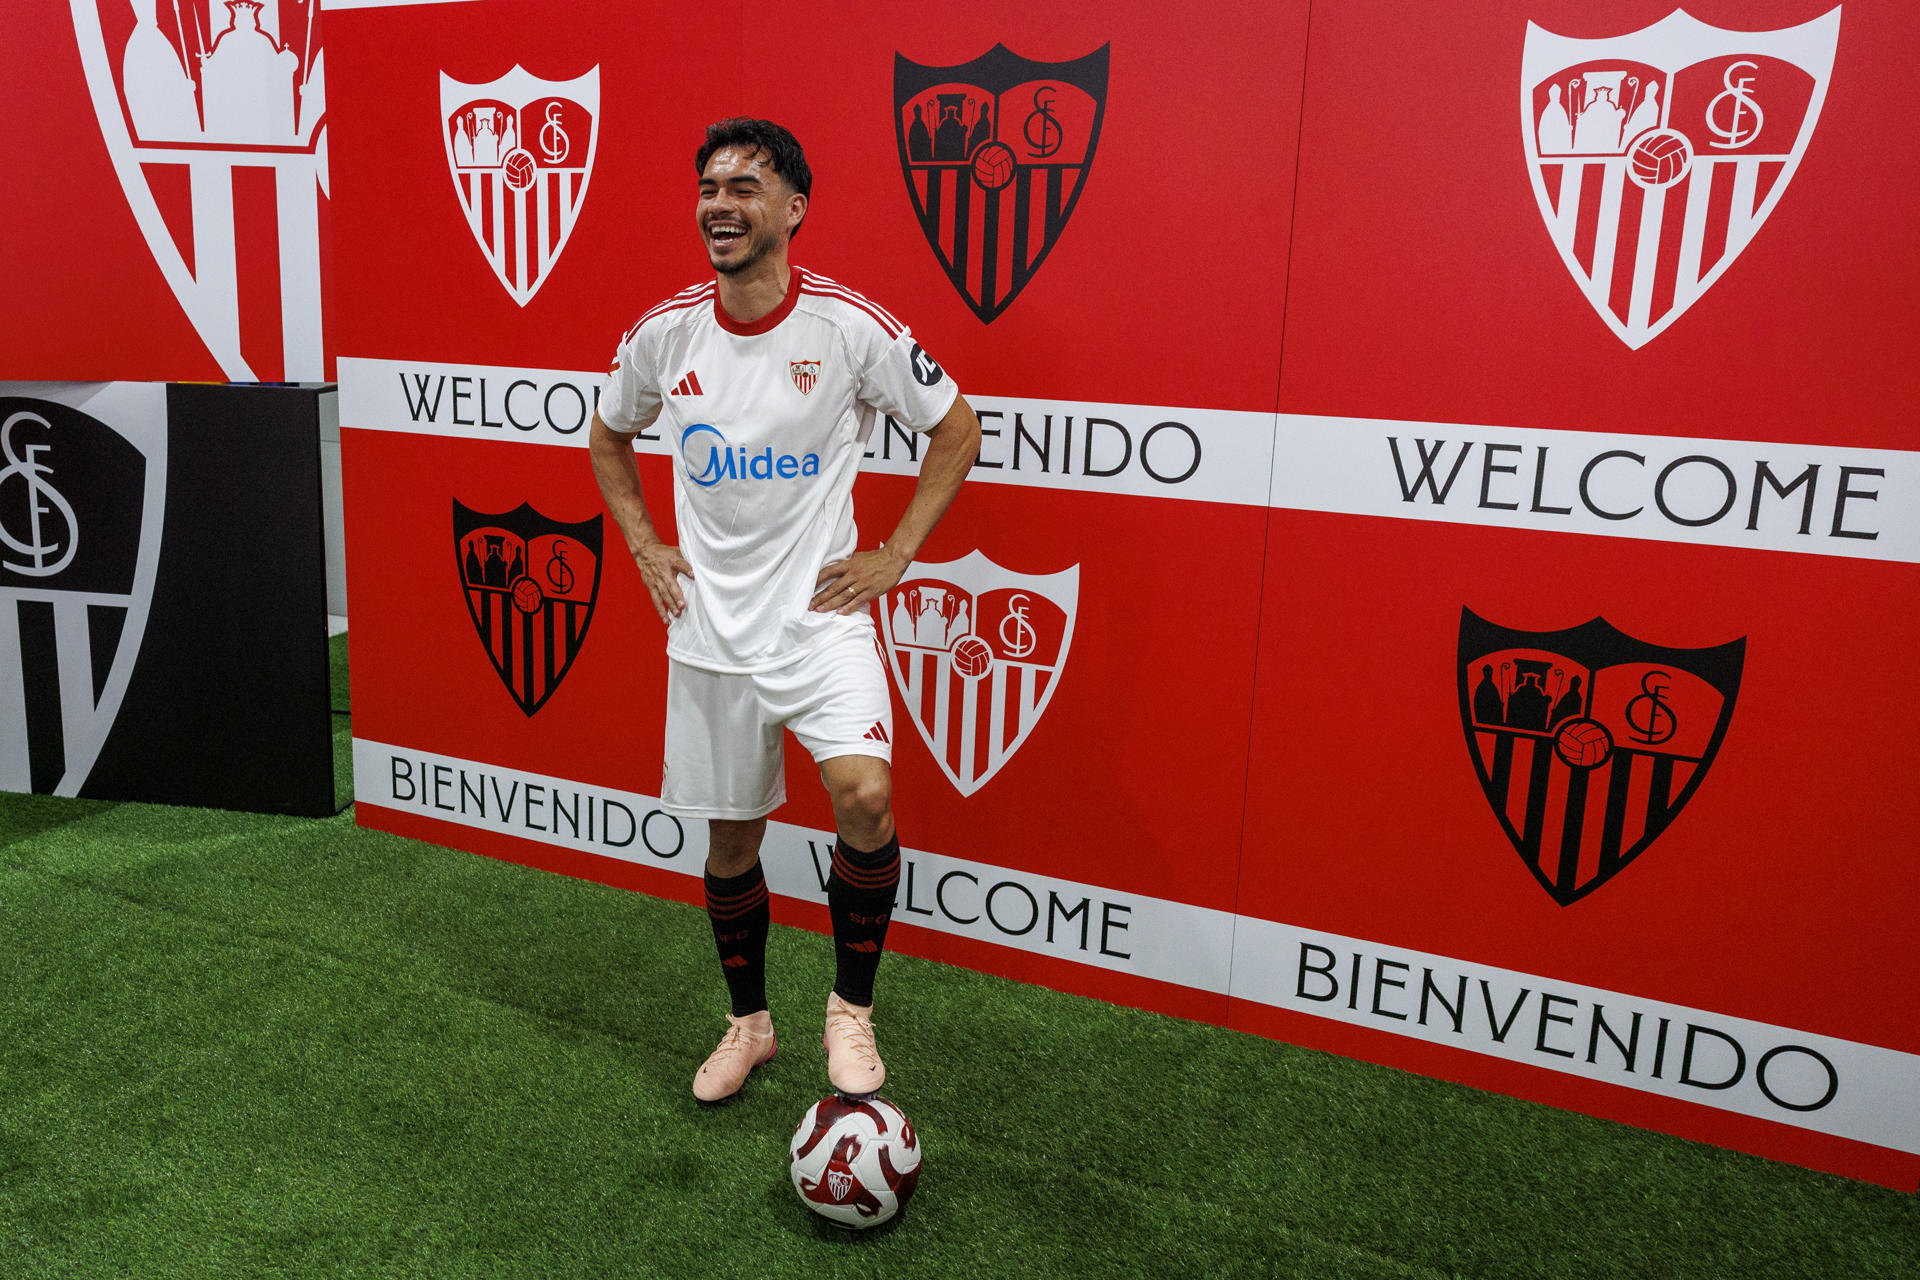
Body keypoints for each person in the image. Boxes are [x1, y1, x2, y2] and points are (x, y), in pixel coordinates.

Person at [588, 118, 982, 1105]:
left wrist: (896, 552)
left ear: (794, 209)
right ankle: (750, 1024)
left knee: (866, 799)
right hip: (713, 632)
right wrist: (643, 541)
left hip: (819, 621)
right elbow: (607, 435)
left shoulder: (848, 327)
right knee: (731, 843)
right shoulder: (665, 333)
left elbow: (956, 427)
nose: (719, 204)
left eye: (745, 187)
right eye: (708, 187)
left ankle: (850, 1010)